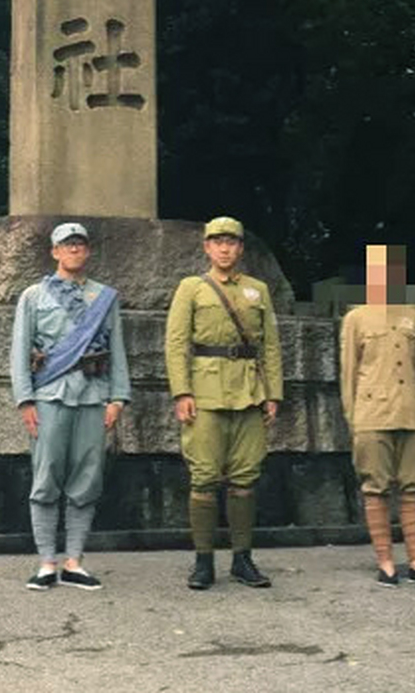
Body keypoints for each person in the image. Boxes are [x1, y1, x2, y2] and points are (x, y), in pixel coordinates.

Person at [9, 221, 131, 591]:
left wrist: (118, 397)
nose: (74, 250)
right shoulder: (33, 296)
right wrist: (24, 398)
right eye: (67, 245)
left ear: (88, 250)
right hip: (49, 395)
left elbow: (118, 351)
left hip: (93, 395)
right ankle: (47, 562)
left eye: (80, 244)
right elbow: (19, 349)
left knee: (87, 479)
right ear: (55, 252)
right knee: (45, 478)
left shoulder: (104, 298)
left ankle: (75, 561)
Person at [164, 216, 283, 590]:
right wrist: (182, 391)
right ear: (206, 247)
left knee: (245, 478)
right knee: (204, 477)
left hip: (249, 392)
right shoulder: (192, 288)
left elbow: (270, 346)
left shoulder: (257, 290)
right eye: (217, 242)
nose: (225, 248)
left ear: (241, 248)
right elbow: (177, 343)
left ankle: (242, 558)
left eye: (231, 242)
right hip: (206, 394)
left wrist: (273, 393)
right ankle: (203, 561)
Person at [339, 244, 415, 587]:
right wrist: (353, 419)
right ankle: (385, 561)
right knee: (376, 487)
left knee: (413, 487)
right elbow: (348, 373)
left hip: (409, 412)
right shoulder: (356, 318)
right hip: (372, 414)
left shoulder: (412, 315)